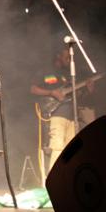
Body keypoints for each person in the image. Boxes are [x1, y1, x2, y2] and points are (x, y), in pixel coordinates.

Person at [30, 47, 96, 175]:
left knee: (70, 151)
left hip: (72, 117)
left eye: (70, 58)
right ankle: (53, 181)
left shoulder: (70, 75)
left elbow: (78, 96)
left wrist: (88, 90)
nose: (69, 59)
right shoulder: (47, 71)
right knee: (57, 147)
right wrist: (51, 92)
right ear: (58, 56)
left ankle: (65, 180)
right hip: (57, 115)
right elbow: (33, 89)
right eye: (67, 57)